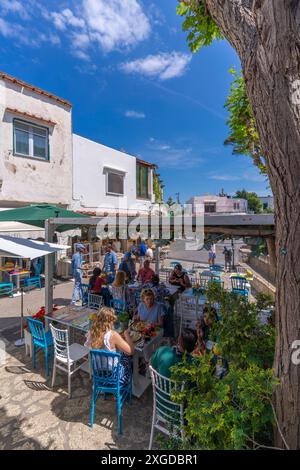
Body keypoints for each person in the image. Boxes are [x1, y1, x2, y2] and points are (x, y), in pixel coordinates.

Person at [85, 307, 134, 386]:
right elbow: (131, 351)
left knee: (119, 353)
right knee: (129, 358)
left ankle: (101, 386)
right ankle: (124, 384)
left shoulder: (92, 332)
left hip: (98, 374)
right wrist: (126, 334)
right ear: (110, 321)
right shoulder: (112, 334)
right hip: (113, 377)